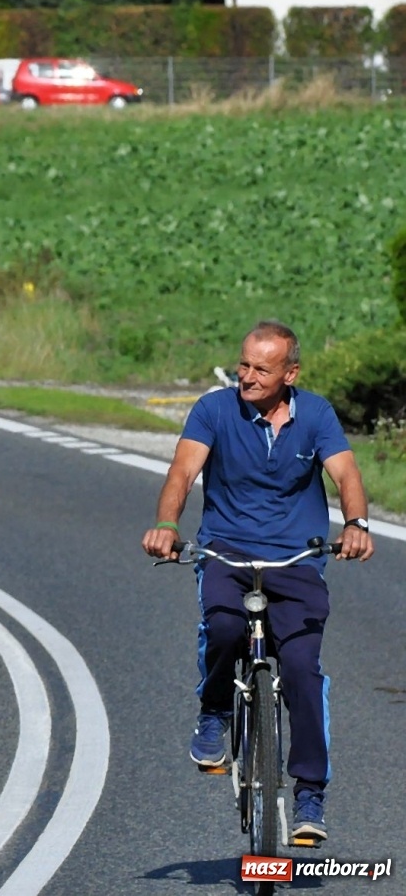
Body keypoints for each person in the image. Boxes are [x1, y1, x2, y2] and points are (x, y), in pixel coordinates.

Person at [141, 320, 372, 844]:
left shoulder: (316, 414)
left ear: (290, 373)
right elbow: (181, 473)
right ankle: (215, 710)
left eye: (261, 369)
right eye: (243, 364)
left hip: (297, 557)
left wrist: (356, 524)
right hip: (226, 550)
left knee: (301, 671)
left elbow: (348, 476)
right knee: (223, 628)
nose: (247, 376)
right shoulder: (214, 410)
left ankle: (310, 794)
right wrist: (167, 525)